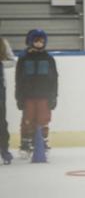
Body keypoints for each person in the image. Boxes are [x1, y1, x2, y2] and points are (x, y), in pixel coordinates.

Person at [15, 29, 58, 157]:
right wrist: (19, 96)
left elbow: (54, 79)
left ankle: (41, 142)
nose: (40, 43)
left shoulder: (49, 58)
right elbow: (18, 79)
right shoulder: (24, 58)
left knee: (43, 119)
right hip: (28, 96)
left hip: (44, 96)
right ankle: (26, 144)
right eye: (36, 41)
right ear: (30, 42)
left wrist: (53, 96)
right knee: (28, 120)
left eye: (42, 41)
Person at [0, 30, 16, 165]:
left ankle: (4, 150)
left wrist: (1, 63)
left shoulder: (2, 42)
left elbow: (12, 61)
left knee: (1, 122)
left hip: (0, 89)